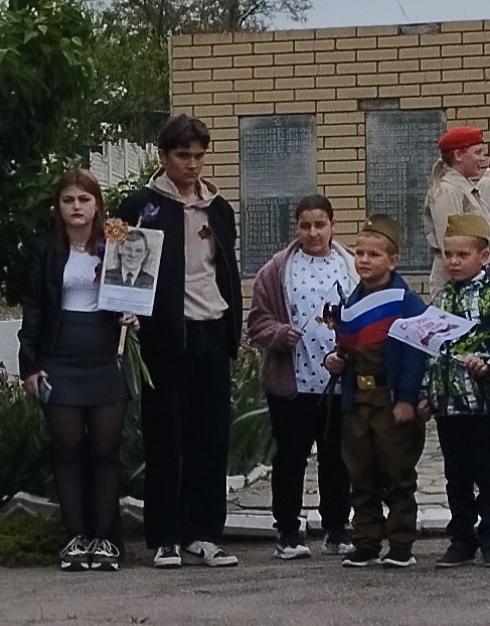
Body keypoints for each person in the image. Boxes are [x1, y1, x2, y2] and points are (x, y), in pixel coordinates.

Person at [121, 114, 245, 569]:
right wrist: (127, 311)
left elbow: (223, 268)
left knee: (210, 437)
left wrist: (234, 324)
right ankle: (165, 535)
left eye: (198, 156)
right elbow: (120, 265)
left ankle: (205, 533)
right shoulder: (140, 206)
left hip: (212, 327)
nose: (192, 164)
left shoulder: (219, 208)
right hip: (165, 334)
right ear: (163, 156)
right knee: (165, 436)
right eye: (182, 156)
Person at [20, 166, 133, 572]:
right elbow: (32, 311)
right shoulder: (43, 251)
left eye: (84, 199)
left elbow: (133, 292)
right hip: (59, 358)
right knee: (67, 448)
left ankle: (104, 539)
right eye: (68, 200)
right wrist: (30, 367)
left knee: (104, 450)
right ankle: (77, 537)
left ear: (97, 205)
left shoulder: (115, 245)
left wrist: (132, 315)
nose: (76, 207)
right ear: (58, 207)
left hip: (104, 359)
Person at [245, 195, 356, 561]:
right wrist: (279, 334)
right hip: (293, 383)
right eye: (305, 225)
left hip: (336, 381)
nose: (313, 232)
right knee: (291, 457)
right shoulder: (277, 270)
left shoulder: (350, 267)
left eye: (320, 224)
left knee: (337, 457)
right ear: (295, 227)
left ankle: (337, 528)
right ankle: (288, 531)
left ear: (332, 225)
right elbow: (257, 322)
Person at [328, 217, 428, 569]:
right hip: (356, 400)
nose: (364, 260)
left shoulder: (405, 302)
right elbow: (345, 347)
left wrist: (406, 398)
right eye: (359, 253)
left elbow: (417, 353)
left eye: (374, 254)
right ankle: (366, 540)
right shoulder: (351, 303)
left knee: (397, 473)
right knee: (361, 473)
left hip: (389, 400)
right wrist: (336, 360)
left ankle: (401, 543)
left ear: (393, 261)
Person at [422, 215, 490, 566]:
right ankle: (462, 537)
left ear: (484, 255)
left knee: (487, 473)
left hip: (484, 403)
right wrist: (426, 393)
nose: (453, 261)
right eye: (448, 254)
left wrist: (488, 364)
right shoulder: (441, 299)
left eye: (462, 254)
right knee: (456, 474)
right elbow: (430, 350)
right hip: (449, 405)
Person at [422, 127, 490, 286]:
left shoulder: (465, 188)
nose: (482, 159)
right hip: (457, 286)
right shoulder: (447, 191)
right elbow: (450, 246)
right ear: (458, 155)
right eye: (477, 153)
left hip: (474, 281)